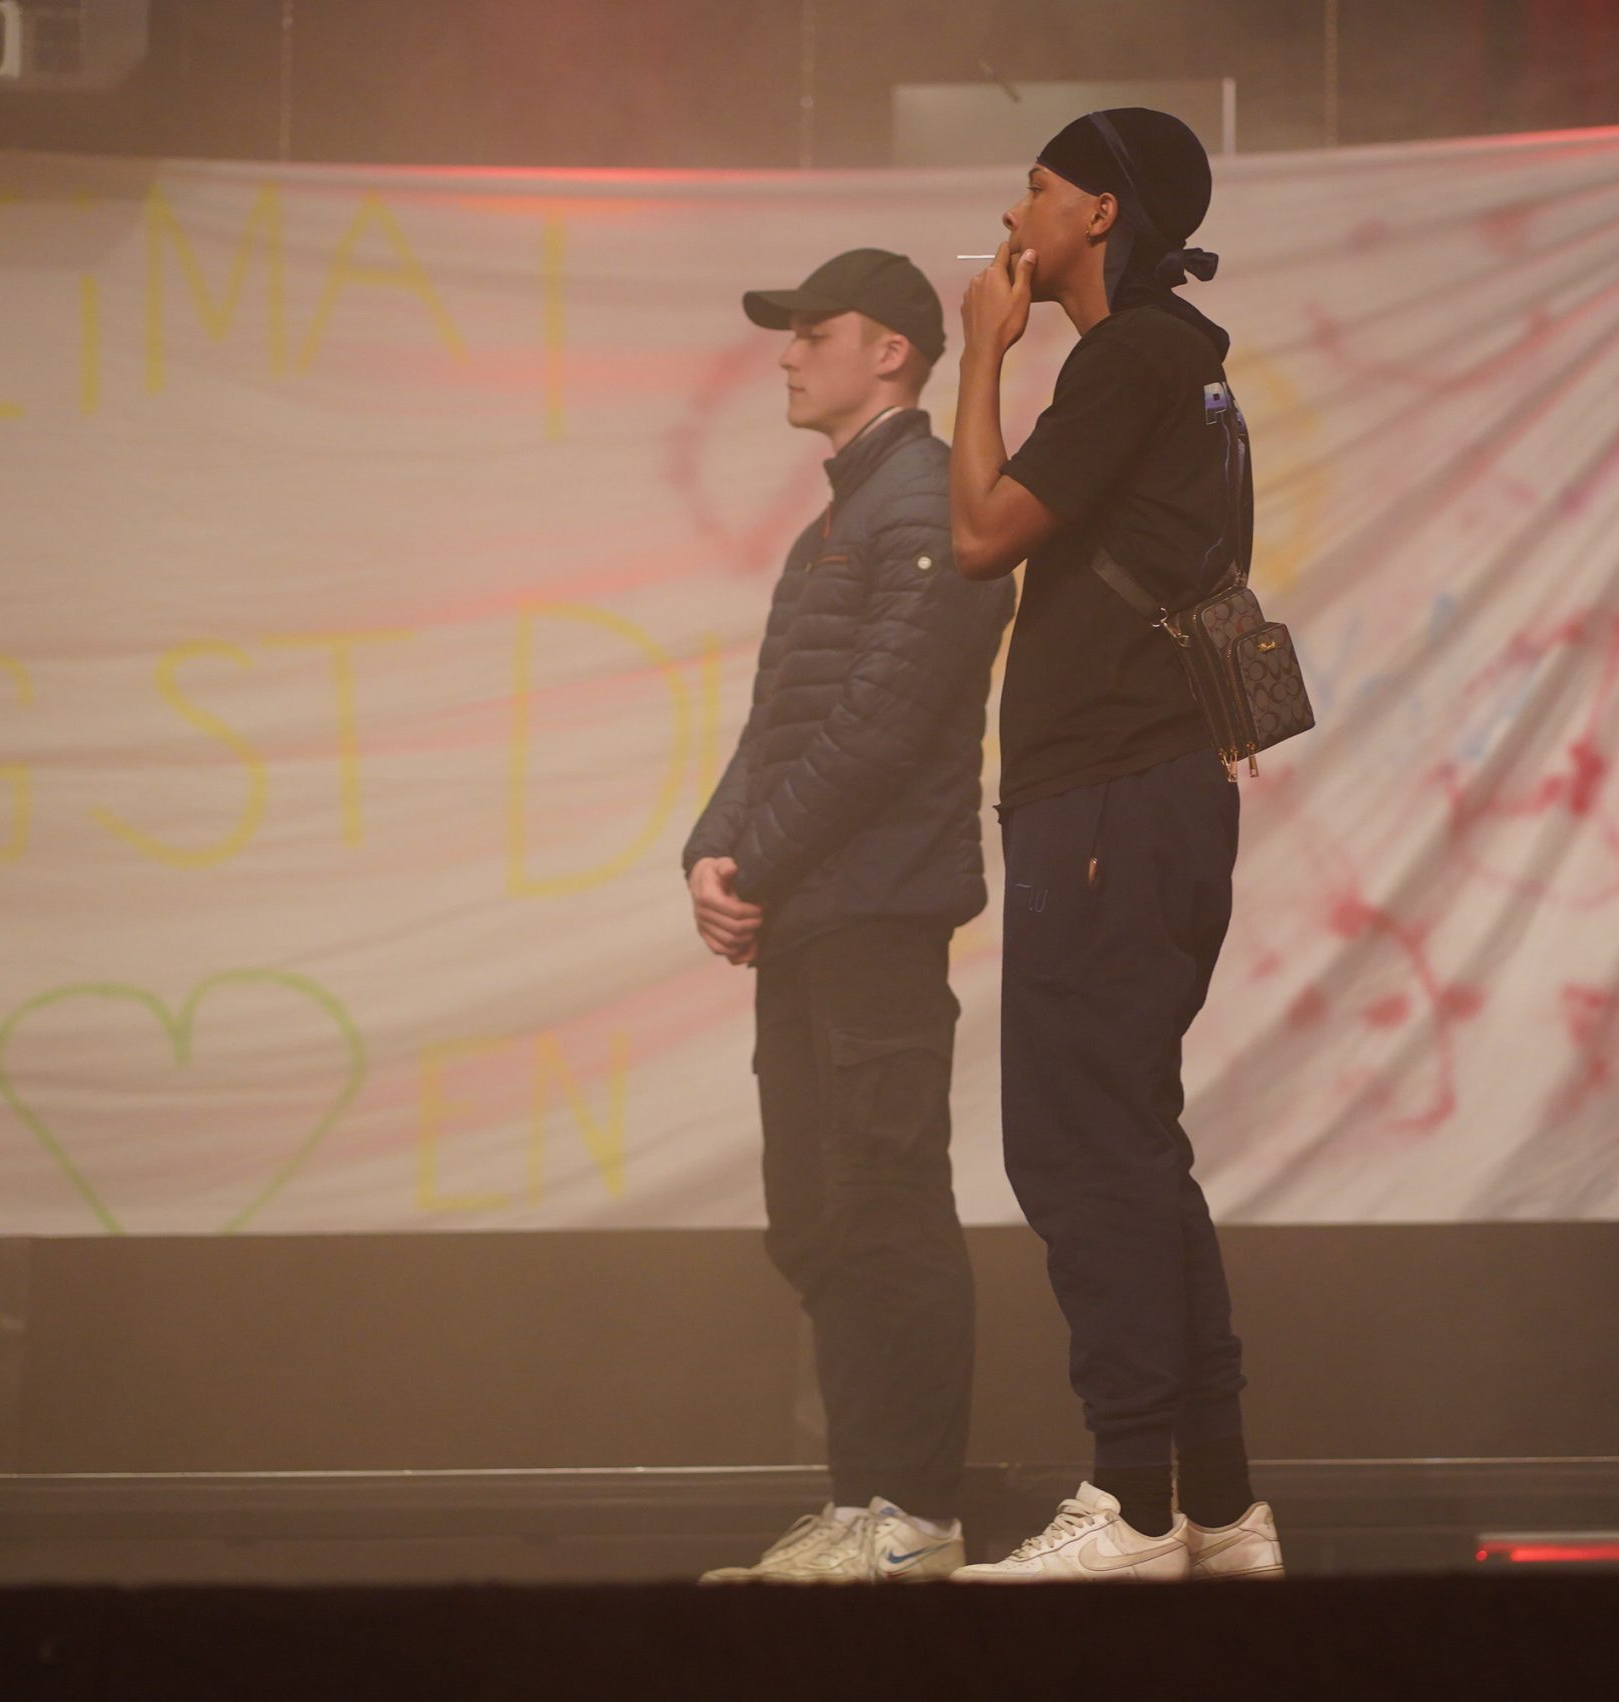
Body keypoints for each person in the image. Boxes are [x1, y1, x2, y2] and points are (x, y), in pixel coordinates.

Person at [944, 110, 1283, 1583]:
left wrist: (980, 354)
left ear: (1098, 213)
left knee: (1078, 1141)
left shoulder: (1131, 356)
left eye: (1036, 187)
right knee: (1133, 1139)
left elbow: (979, 533)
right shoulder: (1185, 367)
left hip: (1106, 795)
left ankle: (1133, 1503)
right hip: (1146, 796)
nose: (1012, 214)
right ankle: (1219, 1505)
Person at [683, 248, 1014, 1583]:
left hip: (877, 912)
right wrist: (714, 850)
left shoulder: (928, 499)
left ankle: (913, 1514)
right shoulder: (841, 521)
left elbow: (881, 725)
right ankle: (861, 1502)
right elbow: (781, 723)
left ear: (892, 351)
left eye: (814, 331)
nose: (787, 353)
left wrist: (754, 865)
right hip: (816, 912)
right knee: (817, 1219)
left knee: (885, 1205)